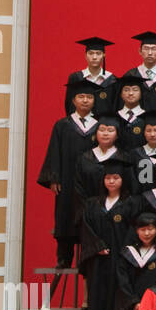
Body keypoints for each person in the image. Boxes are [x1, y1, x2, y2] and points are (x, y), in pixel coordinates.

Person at [38, 77, 101, 267]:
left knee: (89, 216)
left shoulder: (100, 127)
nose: (85, 100)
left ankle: (88, 257)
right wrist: (53, 178)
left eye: (89, 97)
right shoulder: (62, 125)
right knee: (65, 215)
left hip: (90, 182)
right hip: (66, 181)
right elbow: (54, 152)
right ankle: (64, 257)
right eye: (81, 97)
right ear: (73, 100)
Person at [80, 156, 137, 310]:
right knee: (100, 299)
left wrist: (125, 253)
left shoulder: (130, 203)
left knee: (117, 300)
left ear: (123, 179)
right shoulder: (93, 204)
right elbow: (86, 228)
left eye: (115, 177)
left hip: (120, 260)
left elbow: (134, 230)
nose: (111, 181)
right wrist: (97, 246)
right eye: (108, 178)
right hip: (98, 260)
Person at [65, 36, 116, 115]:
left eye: (98, 53)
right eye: (91, 53)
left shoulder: (112, 79)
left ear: (104, 55)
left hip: (103, 125)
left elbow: (114, 106)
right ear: (85, 55)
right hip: (81, 124)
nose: (94, 57)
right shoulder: (76, 78)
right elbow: (69, 105)